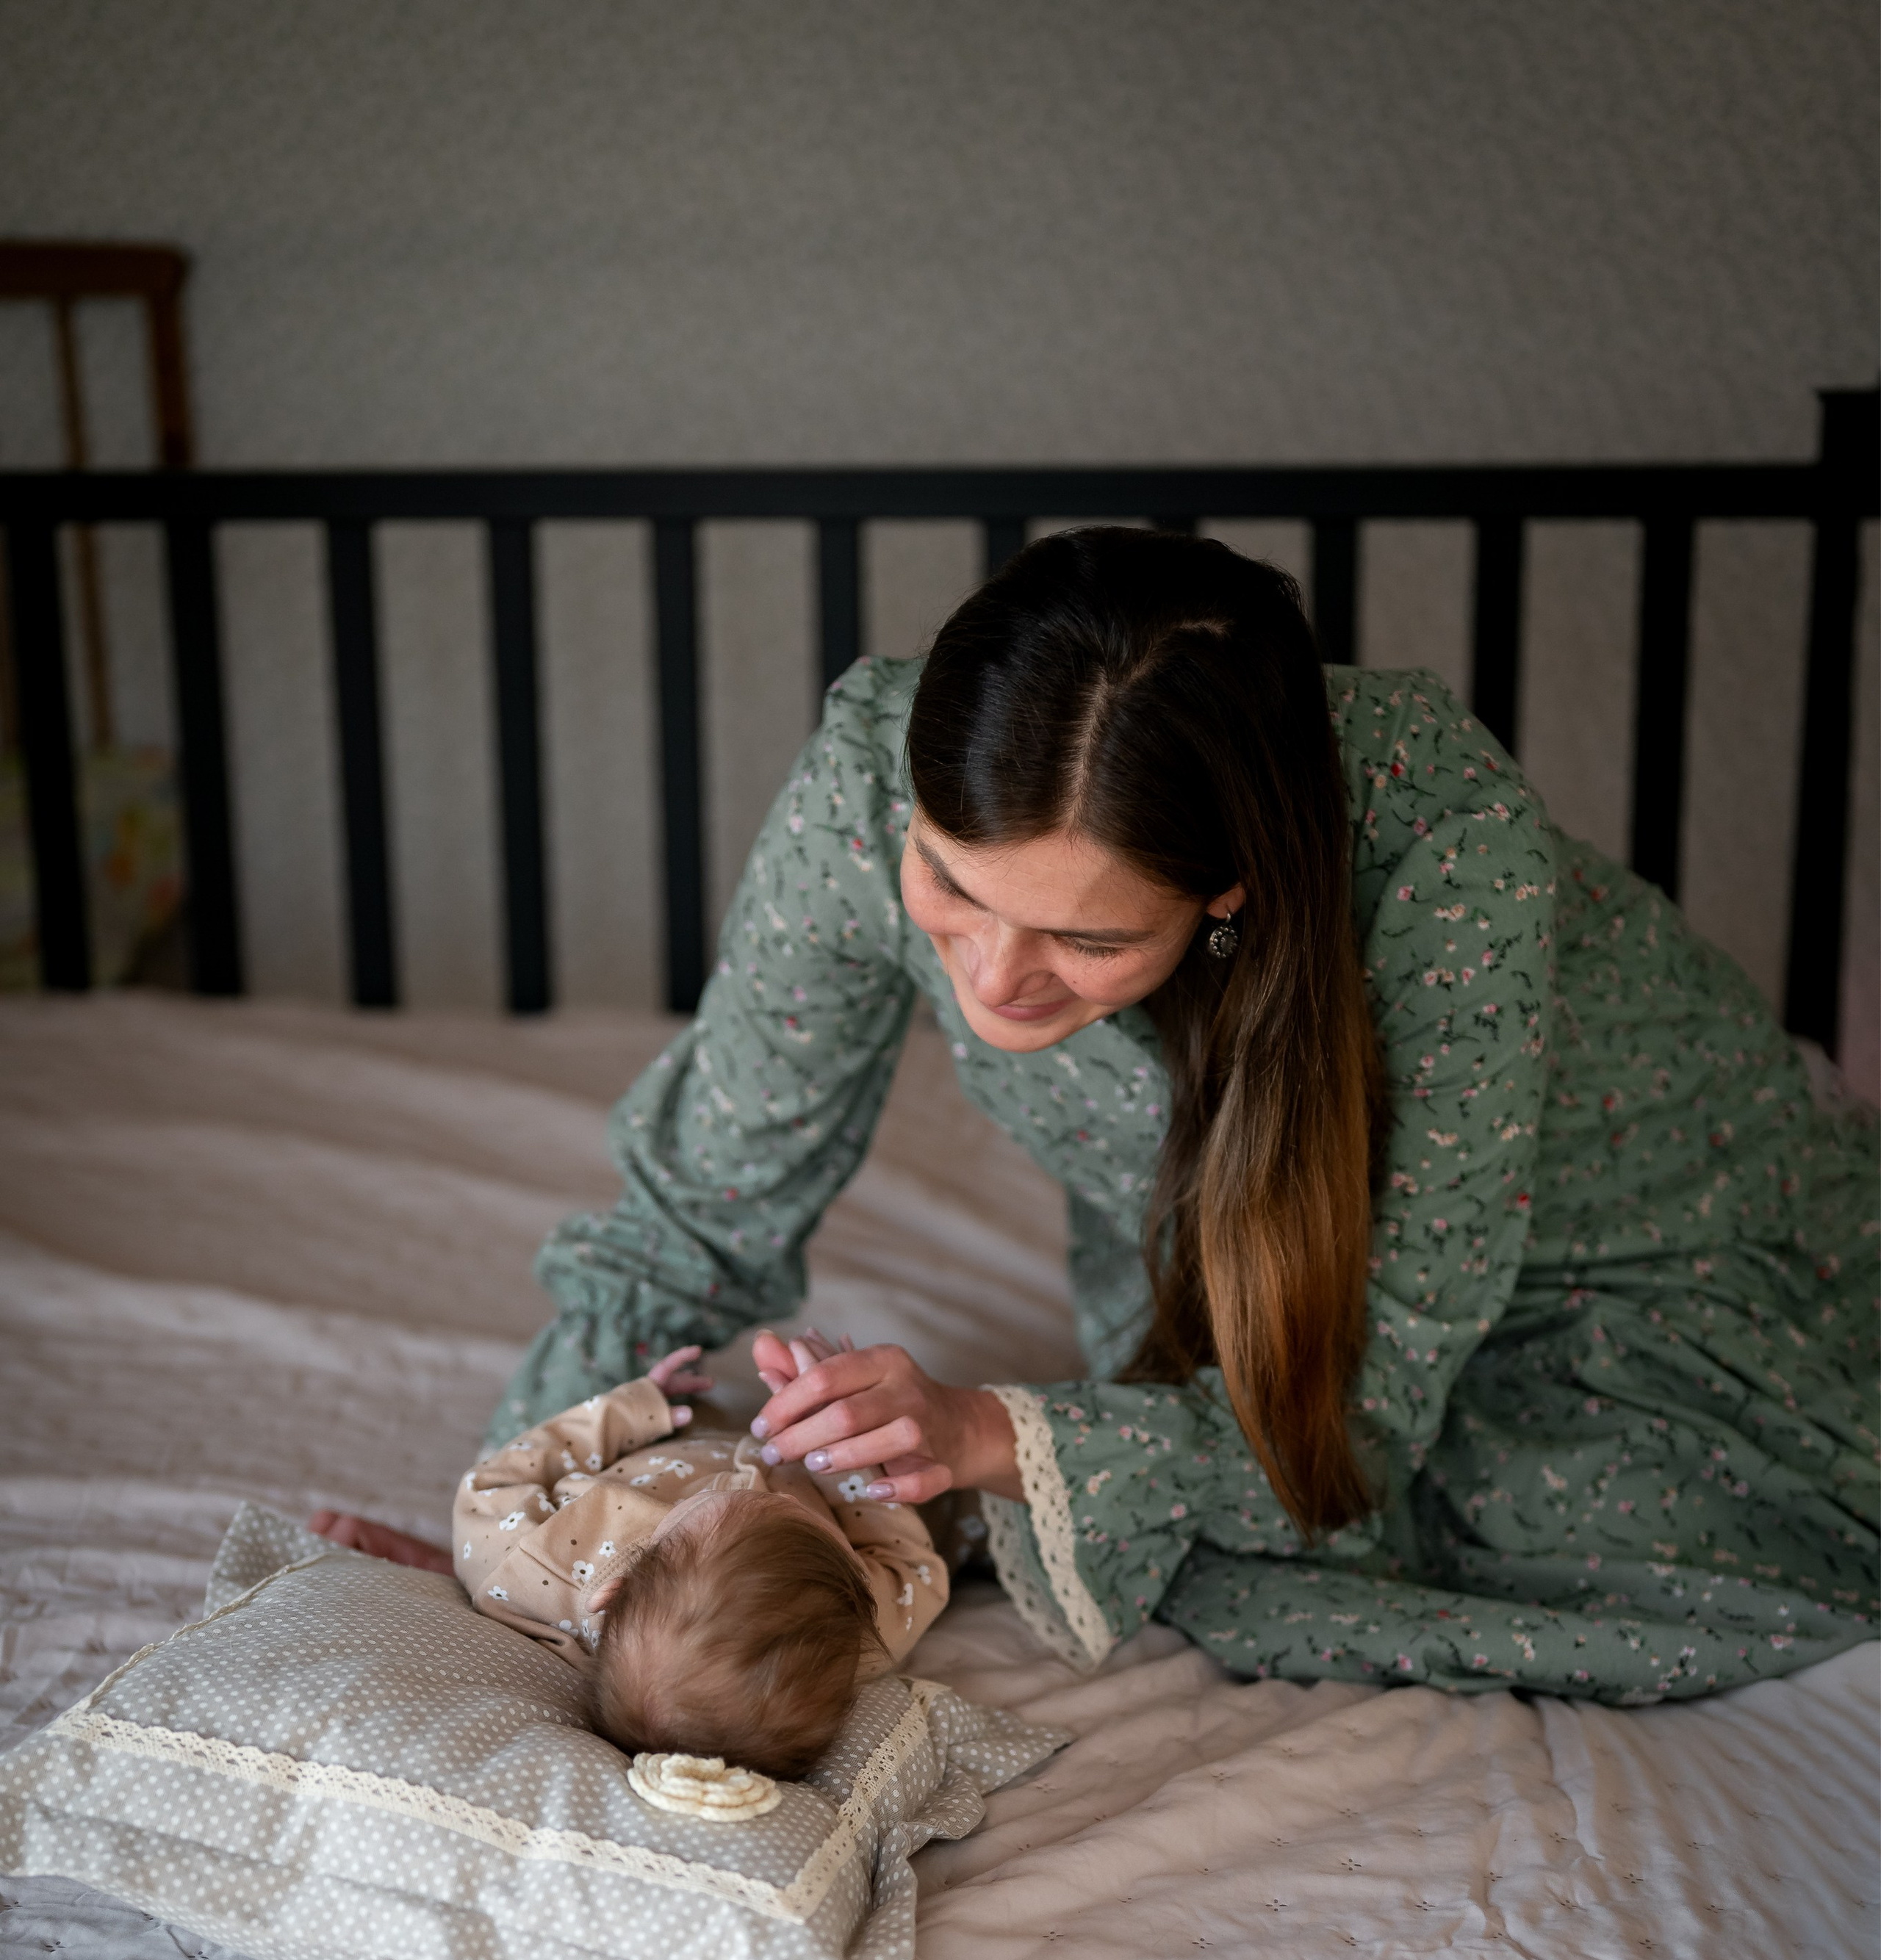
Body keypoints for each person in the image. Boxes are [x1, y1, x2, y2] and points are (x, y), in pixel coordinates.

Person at [370, 527, 1881, 1704]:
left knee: (1360, 1544)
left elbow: (1351, 1416)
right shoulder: (861, 794)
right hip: (1234, 1277)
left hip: (1648, 1275)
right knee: (1146, 1514)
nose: (990, 979)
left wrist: (983, 1432)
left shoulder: (1441, 866)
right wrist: (525, 1540)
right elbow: (698, 1212)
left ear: (1227, 895)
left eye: (1087, 943)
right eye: (951, 889)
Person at [314, 1330, 949, 1779]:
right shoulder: (852, 1633)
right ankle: (451, 1570)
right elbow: (908, 1560)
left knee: (550, 1412)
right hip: (738, 1441)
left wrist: (630, 1409)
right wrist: (849, 1466)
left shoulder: (541, 1556)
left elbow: (496, 1481)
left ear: (614, 1588)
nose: (761, 1486)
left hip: (599, 1471)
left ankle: (446, 1569)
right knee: (945, 1499)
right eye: (814, 1526)